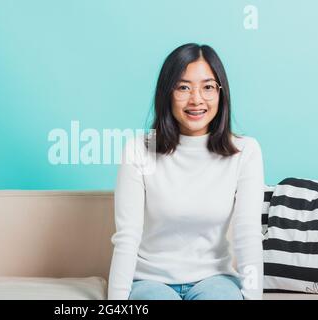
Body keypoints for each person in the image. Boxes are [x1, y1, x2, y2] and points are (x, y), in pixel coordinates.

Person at [108, 43, 264, 300]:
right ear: (167, 93)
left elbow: (247, 235)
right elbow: (127, 236)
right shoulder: (138, 149)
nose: (196, 99)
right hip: (150, 281)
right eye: (183, 87)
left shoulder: (245, 151)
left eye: (208, 87)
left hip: (215, 280)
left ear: (221, 93)